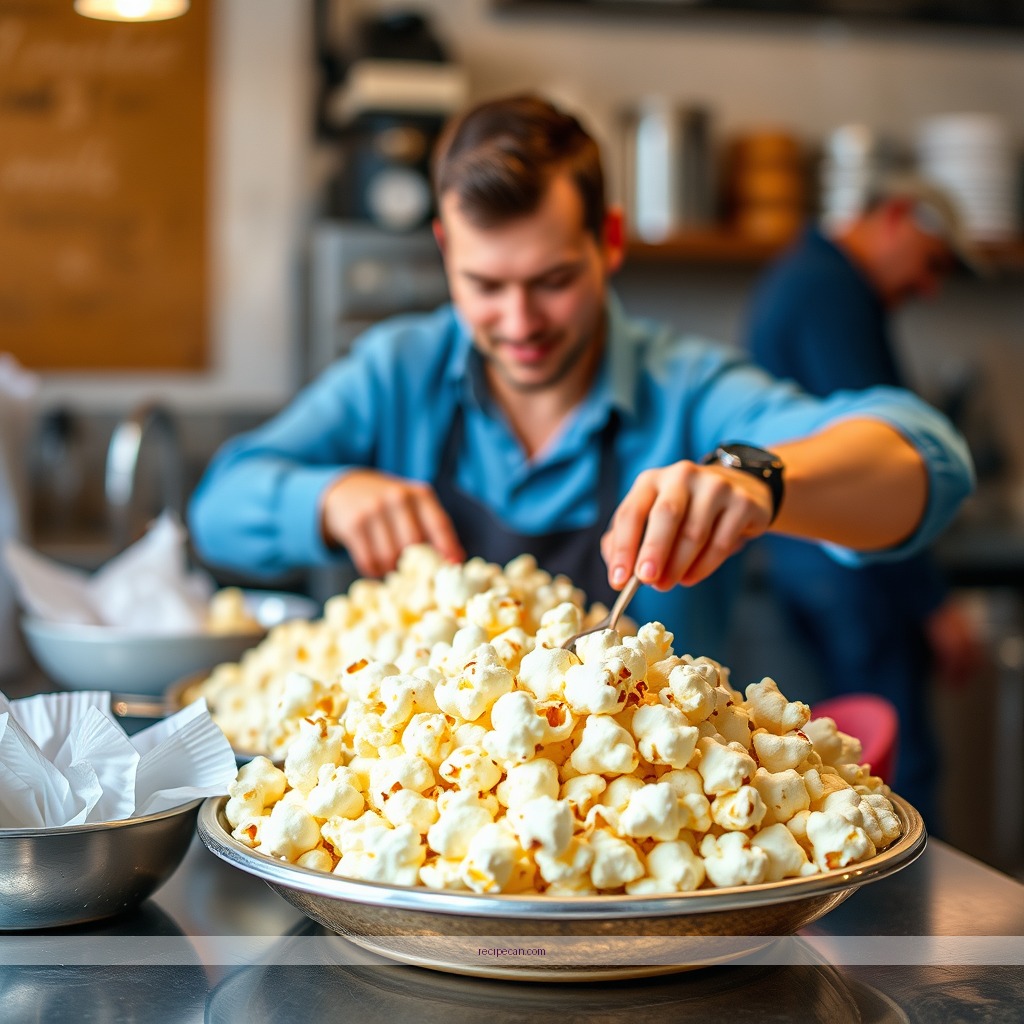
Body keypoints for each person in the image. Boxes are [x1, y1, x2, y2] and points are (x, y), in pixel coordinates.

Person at [188, 95, 973, 675]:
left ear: (611, 243)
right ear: (443, 252)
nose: (520, 321)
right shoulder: (398, 371)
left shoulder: (689, 390)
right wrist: (330, 499)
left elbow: (929, 462)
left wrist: (761, 483)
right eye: (485, 285)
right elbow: (217, 506)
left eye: (554, 279)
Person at [744, 174, 984, 827]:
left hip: (807, 568)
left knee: (846, 769)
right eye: (931, 264)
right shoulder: (832, 291)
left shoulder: (801, 275)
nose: (930, 287)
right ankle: (898, 923)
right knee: (899, 778)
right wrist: (933, 603)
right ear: (896, 217)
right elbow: (880, 467)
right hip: (851, 573)